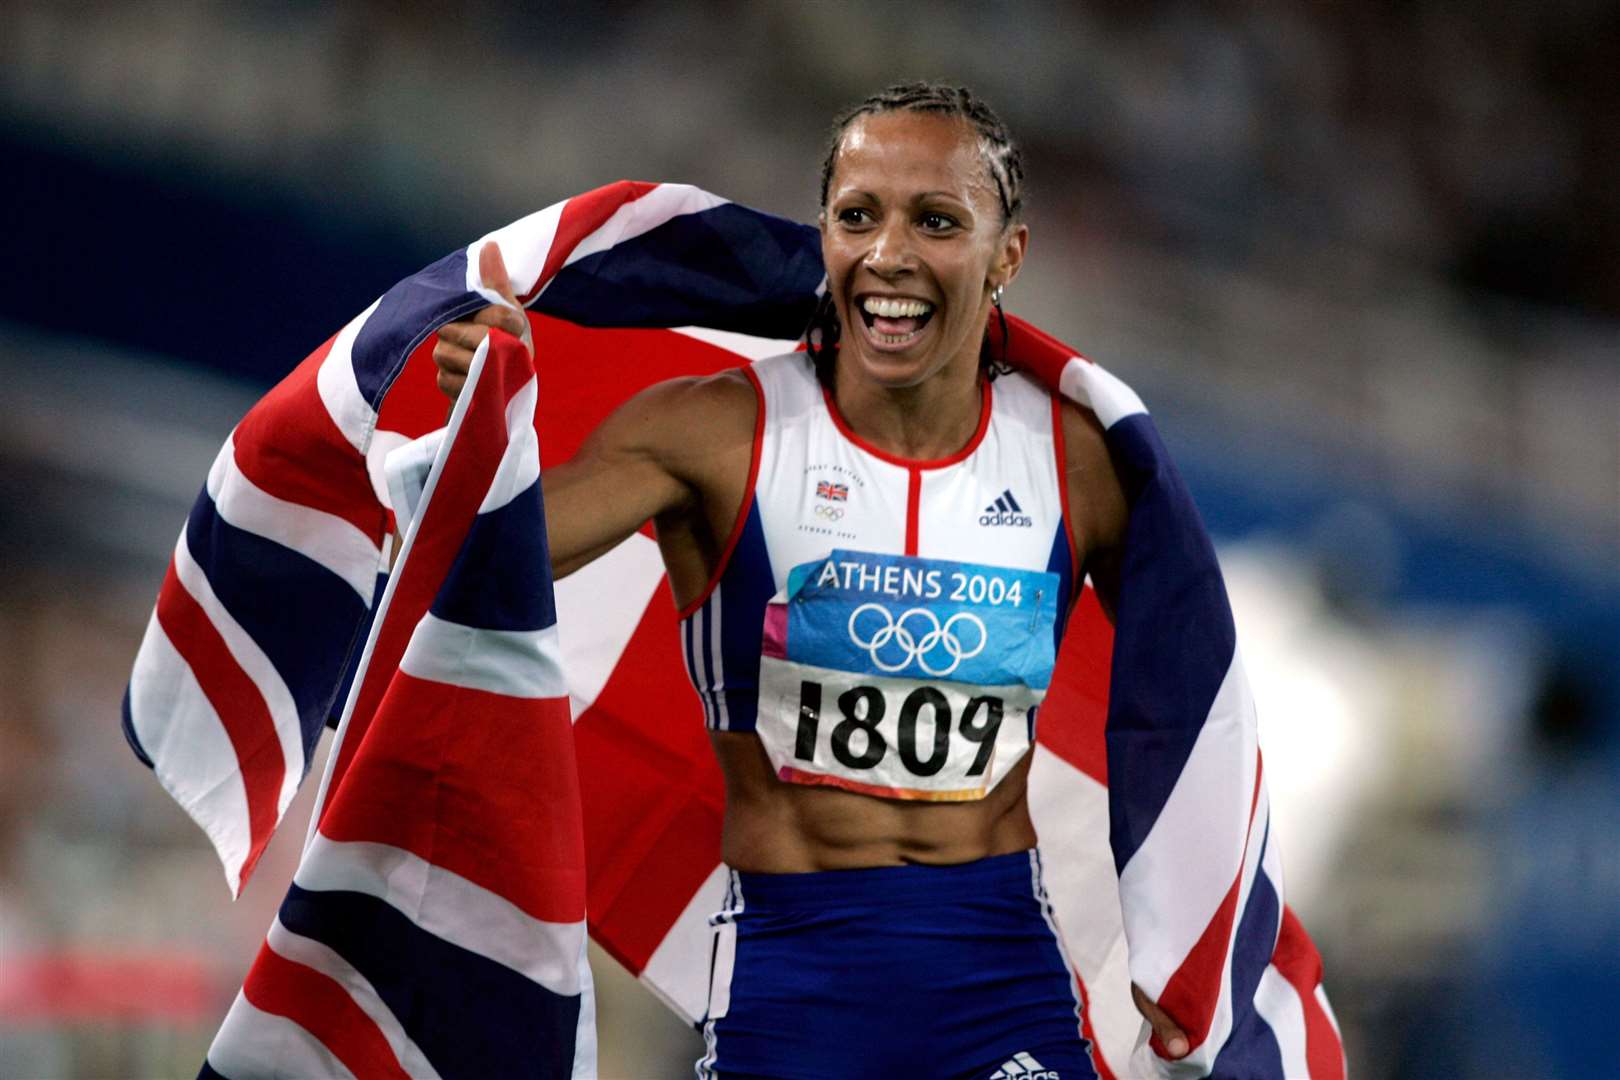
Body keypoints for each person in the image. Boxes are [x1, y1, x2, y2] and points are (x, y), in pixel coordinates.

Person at [434, 83, 1189, 1079]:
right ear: (822, 235)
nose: (889, 255)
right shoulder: (713, 431)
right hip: (794, 981)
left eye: (936, 221)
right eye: (857, 216)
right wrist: (487, 420)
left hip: (1002, 976)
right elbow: (483, 561)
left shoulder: (1077, 460)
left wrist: (1193, 939)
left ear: (1008, 255)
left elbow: (1185, 700)